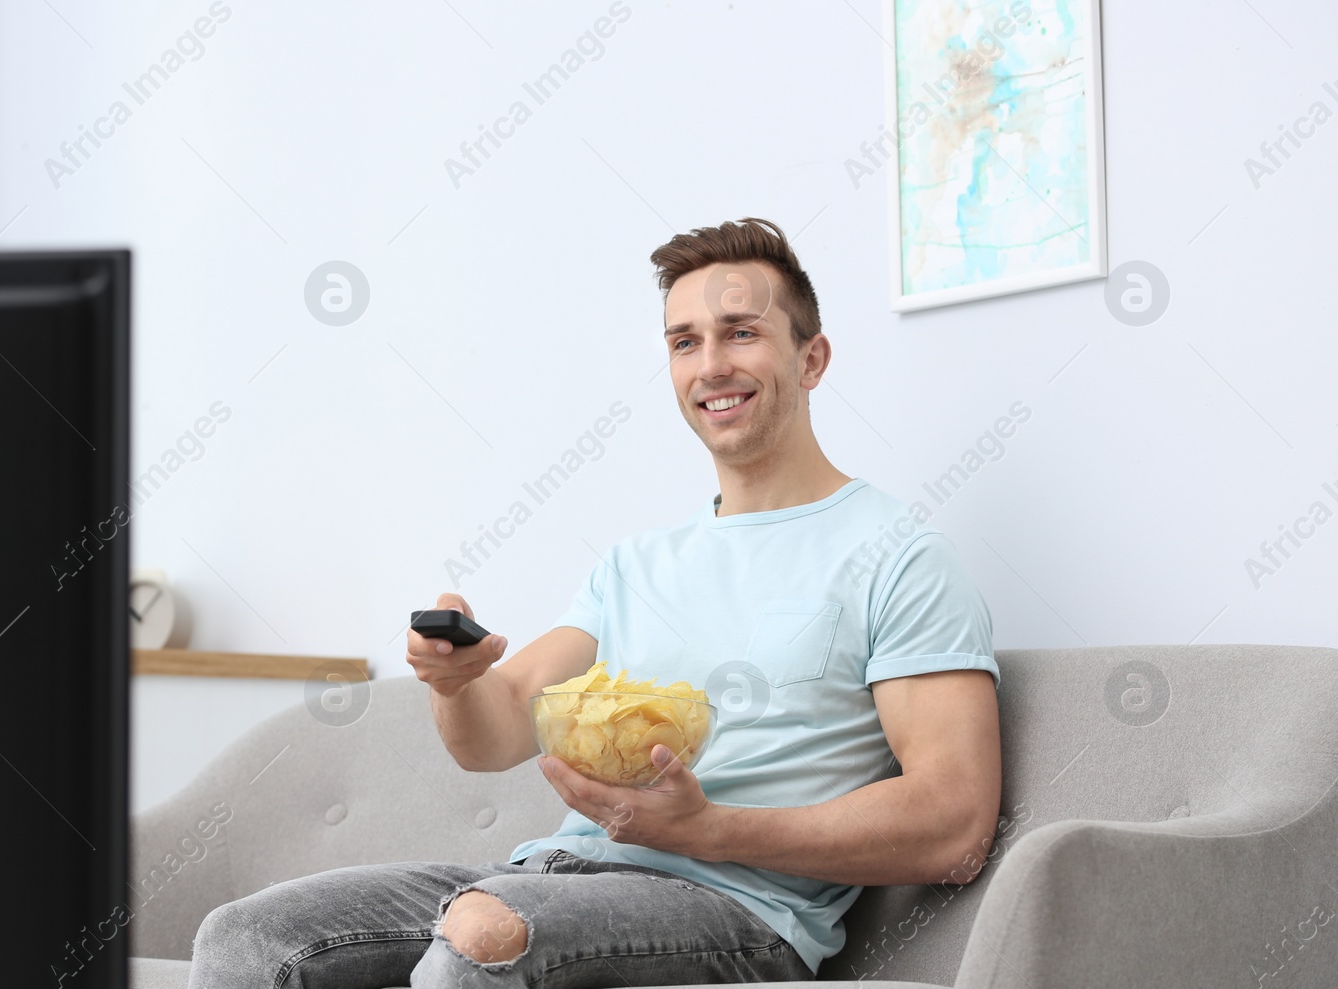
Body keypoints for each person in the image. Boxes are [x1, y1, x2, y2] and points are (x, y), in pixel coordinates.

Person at [188, 217, 1002, 988]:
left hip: (741, 910)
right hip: (550, 875)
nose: (710, 363)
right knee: (246, 938)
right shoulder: (635, 564)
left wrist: (707, 829)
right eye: (685, 342)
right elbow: (499, 725)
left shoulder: (899, 556)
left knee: (484, 934)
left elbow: (954, 821)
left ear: (812, 358)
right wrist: (455, 683)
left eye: (741, 332)